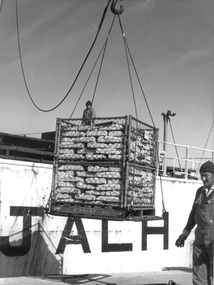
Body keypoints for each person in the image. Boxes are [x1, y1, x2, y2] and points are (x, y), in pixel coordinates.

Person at [175, 160, 214, 285]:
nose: (203, 179)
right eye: (201, 175)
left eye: (206, 175)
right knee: (199, 275)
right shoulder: (199, 192)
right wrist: (184, 234)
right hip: (200, 239)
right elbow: (193, 213)